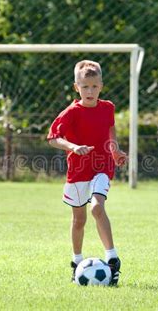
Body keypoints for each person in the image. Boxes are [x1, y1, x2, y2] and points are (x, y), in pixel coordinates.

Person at [47, 60, 127, 286]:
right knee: (78, 220)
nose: (89, 91)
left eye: (94, 86)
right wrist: (73, 147)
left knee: (97, 207)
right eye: (85, 87)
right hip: (78, 172)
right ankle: (76, 262)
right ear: (76, 87)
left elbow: (110, 131)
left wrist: (115, 150)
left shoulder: (107, 107)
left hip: (101, 167)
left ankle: (112, 258)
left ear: (101, 86)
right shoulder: (71, 112)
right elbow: (53, 138)